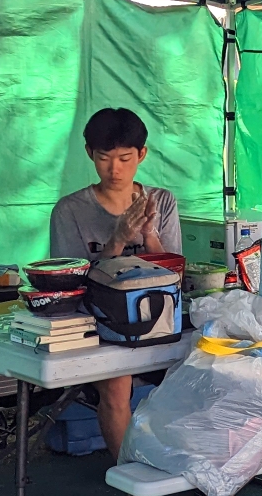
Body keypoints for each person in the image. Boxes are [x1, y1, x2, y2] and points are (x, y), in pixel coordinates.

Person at [49, 107, 181, 455]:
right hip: (99, 324)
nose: (114, 169)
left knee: (206, 361)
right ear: (89, 153)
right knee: (118, 381)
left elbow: (173, 276)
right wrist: (117, 241)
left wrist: (149, 235)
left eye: (125, 159)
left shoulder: (161, 201)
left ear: (142, 154)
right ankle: (131, 477)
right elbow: (71, 286)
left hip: (158, 317)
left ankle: (187, 462)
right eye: (104, 158)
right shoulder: (70, 210)